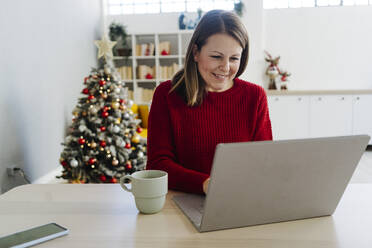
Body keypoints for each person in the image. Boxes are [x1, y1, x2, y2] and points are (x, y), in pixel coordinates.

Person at [146, 9, 273, 195]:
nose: (226, 67)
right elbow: (158, 165)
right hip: (183, 200)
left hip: (239, 198)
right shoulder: (167, 94)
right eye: (216, 56)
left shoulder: (255, 96)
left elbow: (265, 161)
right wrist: (206, 184)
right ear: (196, 52)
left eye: (234, 58)